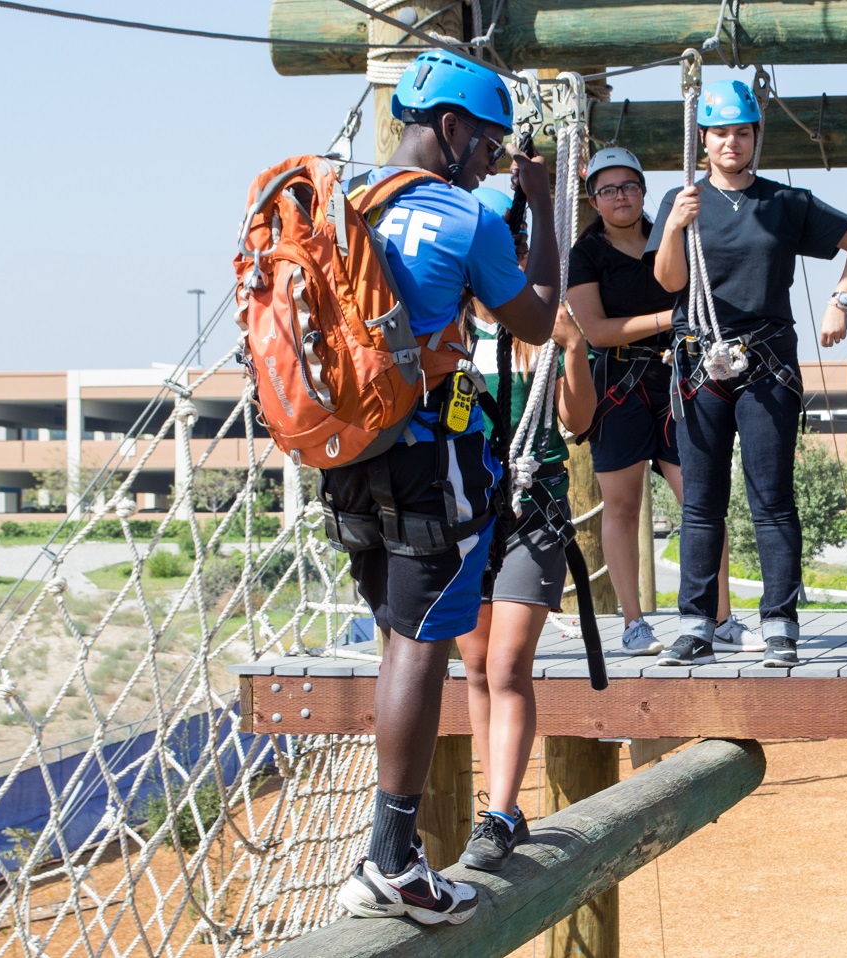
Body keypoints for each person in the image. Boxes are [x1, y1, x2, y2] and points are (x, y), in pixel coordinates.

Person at [330, 50, 557, 925]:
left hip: (345, 458)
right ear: (453, 130)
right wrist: (539, 208)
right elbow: (537, 316)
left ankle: (391, 853)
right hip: (430, 457)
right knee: (420, 646)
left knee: (399, 635)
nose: (495, 161)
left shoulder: (348, 204)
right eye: (492, 145)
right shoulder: (466, 219)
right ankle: (393, 859)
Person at [647, 78, 847, 668]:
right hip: (701, 355)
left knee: (771, 497)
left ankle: (780, 622)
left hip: (766, 359)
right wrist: (674, 225)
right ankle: (697, 622)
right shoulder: (684, 200)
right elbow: (671, 283)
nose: (731, 142)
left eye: (741, 133)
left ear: (755, 138)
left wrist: (841, 300)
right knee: (700, 501)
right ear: (703, 139)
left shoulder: (784, 203)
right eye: (721, 133)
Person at [566, 147, 760, 657]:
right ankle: (634, 623)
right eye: (608, 190)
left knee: (701, 501)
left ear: (643, 190)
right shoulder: (587, 254)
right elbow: (598, 331)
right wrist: (668, 321)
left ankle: (719, 617)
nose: (620, 197)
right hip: (621, 384)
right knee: (623, 506)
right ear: (594, 200)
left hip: (679, 378)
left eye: (629, 186)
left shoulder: (671, 237)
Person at [457, 194, 596, 868]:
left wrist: (569, 349)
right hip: (464, 514)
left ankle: (502, 810)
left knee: (508, 662)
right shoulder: (450, 329)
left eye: (515, 249)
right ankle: (496, 798)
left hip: (530, 508)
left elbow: (577, 423)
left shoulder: (544, 332)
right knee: (477, 665)